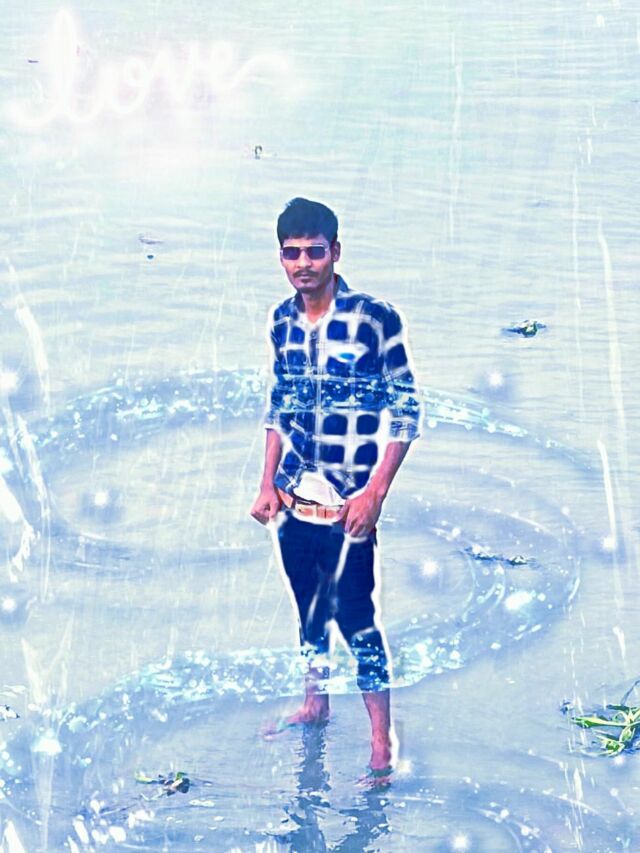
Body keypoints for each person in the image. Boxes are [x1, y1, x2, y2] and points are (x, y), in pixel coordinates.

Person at [250, 197, 421, 780]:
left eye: (314, 251)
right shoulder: (281, 320)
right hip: (294, 497)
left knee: (357, 618)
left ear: (335, 252)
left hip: (351, 503)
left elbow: (406, 412)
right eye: (292, 253)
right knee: (308, 607)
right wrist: (266, 483)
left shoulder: (375, 320)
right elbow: (279, 405)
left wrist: (375, 494)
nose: (303, 263)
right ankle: (315, 702)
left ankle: (380, 740)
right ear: (281, 257)